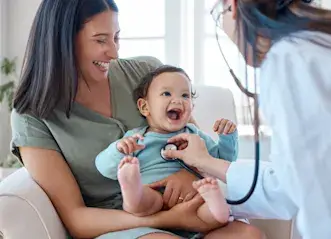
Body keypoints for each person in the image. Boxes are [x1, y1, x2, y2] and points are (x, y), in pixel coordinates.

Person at [9, 0, 265, 238]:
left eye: (116, 37)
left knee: (249, 236)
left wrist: (189, 177)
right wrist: (167, 219)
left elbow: (193, 143)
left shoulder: (146, 72)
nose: (114, 52)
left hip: (189, 205)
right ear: (62, 42)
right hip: (121, 225)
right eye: (101, 40)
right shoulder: (32, 116)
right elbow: (76, 218)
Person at [161, 0, 331, 239]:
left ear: (233, 6)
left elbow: (315, 195)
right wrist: (205, 162)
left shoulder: (290, 60)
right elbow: (293, 182)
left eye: (219, 14)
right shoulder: (315, 43)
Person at [95, 65, 238, 228]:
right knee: (143, 202)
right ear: (144, 107)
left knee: (207, 211)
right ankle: (131, 187)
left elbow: (222, 162)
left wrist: (227, 137)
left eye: (185, 95)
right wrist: (119, 150)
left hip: (194, 198)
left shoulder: (195, 135)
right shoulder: (137, 138)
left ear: (192, 108)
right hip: (154, 193)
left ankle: (216, 204)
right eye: (166, 93)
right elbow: (104, 168)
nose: (178, 100)